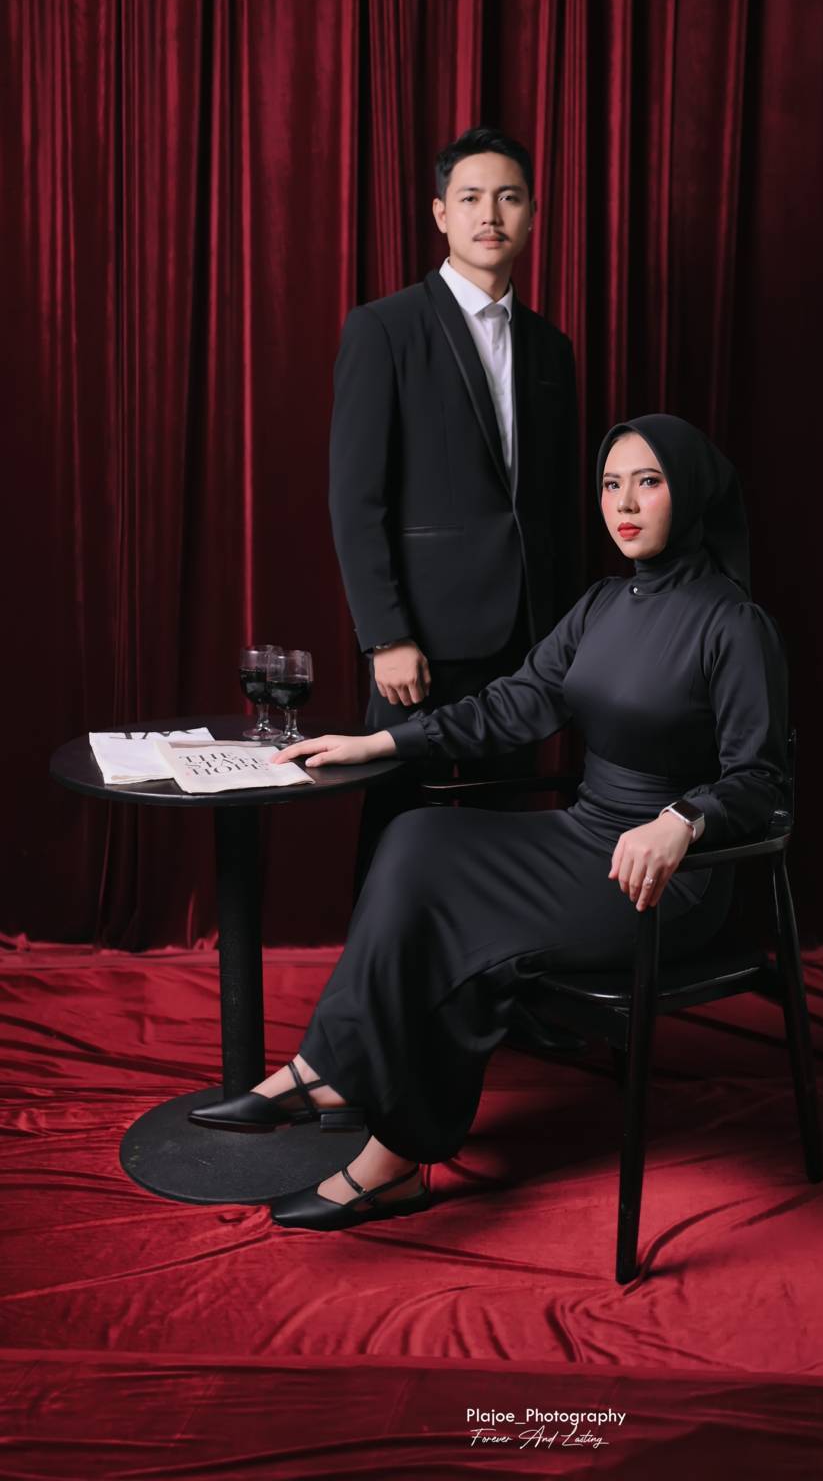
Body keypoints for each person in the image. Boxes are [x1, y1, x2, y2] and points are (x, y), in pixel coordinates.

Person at [190, 416, 790, 1233]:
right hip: (584, 834)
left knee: (464, 927)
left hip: (664, 878)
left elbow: (761, 780)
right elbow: (517, 703)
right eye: (611, 485)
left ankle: (386, 1158)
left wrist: (683, 819)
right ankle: (327, 1071)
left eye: (648, 482)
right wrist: (384, 741)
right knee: (417, 838)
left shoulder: (735, 623)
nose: (624, 504)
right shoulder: (603, 604)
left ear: (690, 491)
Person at [329, 126, 580, 888]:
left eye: (509, 198)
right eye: (470, 198)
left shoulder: (551, 348)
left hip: (528, 641)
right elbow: (355, 497)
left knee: (509, 831)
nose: (489, 215)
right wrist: (385, 635)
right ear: (441, 214)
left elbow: (558, 503)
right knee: (402, 823)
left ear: (532, 215)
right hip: (422, 642)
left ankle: (498, 963)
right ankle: (388, 963)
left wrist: (565, 636)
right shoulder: (385, 328)